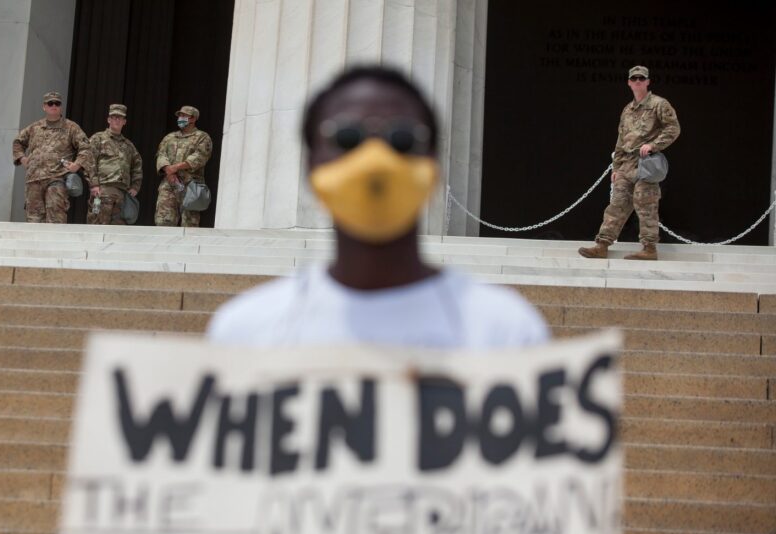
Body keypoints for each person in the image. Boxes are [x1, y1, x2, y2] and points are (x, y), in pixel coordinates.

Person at [207, 66, 548, 349]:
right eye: (347, 138)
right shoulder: (244, 332)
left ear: (432, 162)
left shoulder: (508, 332)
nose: (375, 161)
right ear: (312, 164)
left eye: (402, 139)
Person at [579, 65, 681, 261]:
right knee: (617, 204)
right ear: (628, 82)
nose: (637, 82)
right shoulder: (627, 109)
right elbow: (620, 140)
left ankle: (649, 248)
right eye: (634, 78)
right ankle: (602, 245)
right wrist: (616, 167)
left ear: (648, 81)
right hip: (626, 164)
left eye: (641, 78)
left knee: (646, 205)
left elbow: (673, 129)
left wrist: (653, 145)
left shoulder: (659, 104)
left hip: (646, 163)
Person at [12, 91, 92, 223]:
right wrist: (22, 158)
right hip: (34, 180)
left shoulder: (71, 127)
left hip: (57, 178)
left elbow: (86, 147)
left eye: (57, 103)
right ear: (44, 107)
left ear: (60, 107)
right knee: (33, 220)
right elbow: (18, 142)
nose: (53, 106)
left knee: (56, 219)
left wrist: (77, 164)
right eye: (50, 103)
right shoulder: (34, 127)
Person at [154, 106, 212, 228]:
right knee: (163, 221)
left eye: (184, 116)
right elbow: (161, 154)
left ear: (193, 119)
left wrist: (176, 168)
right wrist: (168, 171)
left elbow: (200, 157)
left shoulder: (202, 137)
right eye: (180, 116)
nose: (181, 118)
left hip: (191, 185)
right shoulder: (169, 137)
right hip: (169, 183)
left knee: (189, 223)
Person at [86, 104, 143, 225]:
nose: (117, 120)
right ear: (108, 120)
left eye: (120, 118)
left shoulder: (128, 145)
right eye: (114, 117)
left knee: (118, 231)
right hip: (103, 190)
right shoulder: (98, 138)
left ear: (124, 122)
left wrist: (135, 186)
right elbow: (88, 162)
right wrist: (94, 184)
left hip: (122, 194)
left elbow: (137, 166)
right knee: (99, 226)